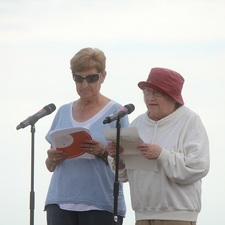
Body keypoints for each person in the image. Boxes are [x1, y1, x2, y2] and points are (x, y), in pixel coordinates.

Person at [108, 67, 210, 225]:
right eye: (147, 92)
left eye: (157, 93)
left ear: (173, 97)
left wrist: (161, 154)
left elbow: (199, 166)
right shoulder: (138, 123)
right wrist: (119, 159)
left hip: (178, 216)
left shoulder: (190, 120)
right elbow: (124, 176)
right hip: (142, 215)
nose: (150, 98)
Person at [44, 47, 129, 225]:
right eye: (78, 78)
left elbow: (125, 167)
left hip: (101, 205)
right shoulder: (63, 111)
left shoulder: (117, 112)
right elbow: (50, 166)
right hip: (60, 202)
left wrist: (102, 152)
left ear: (103, 76)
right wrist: (52, 158)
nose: (84, 85)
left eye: (91, 78)